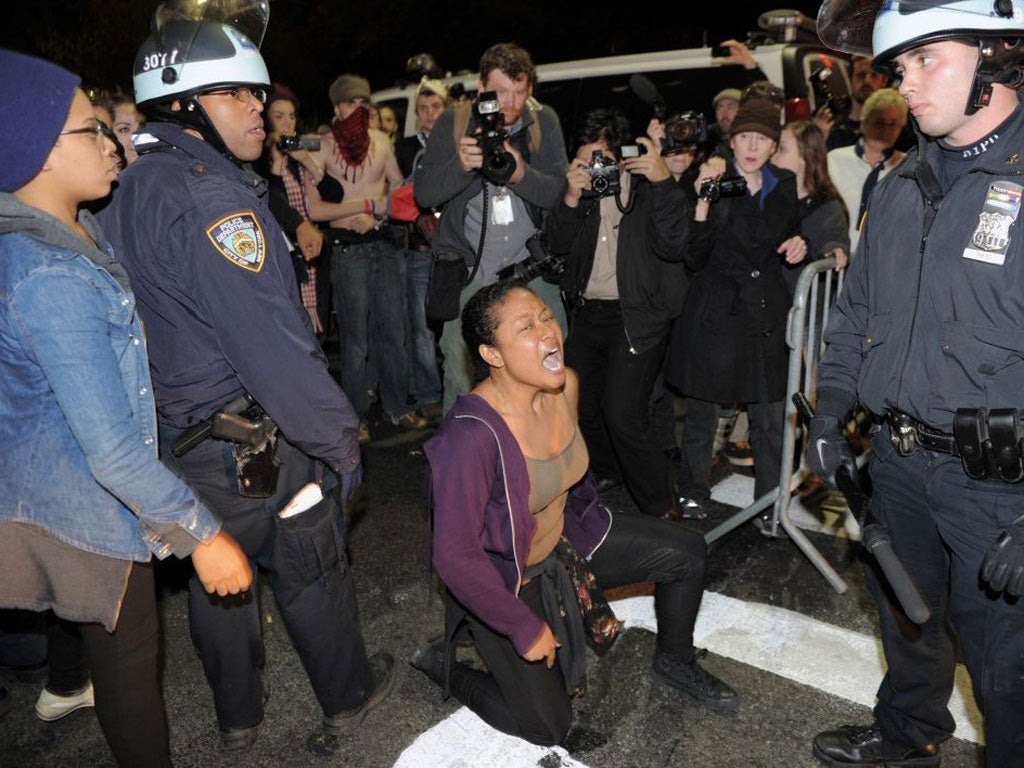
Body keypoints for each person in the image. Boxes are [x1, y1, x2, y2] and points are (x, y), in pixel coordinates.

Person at [99, 13, 395, 752]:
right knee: (311, 567)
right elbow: (273, 347)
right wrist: (338, 441)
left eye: (258, 92)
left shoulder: (126, 188)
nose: (259, 107)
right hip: (252, 436)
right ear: (182, 105)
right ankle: (347, 699)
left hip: (182, 441)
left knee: (217, 582)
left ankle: (239, 720)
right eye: (236, 93)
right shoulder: (214, 200)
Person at [0, 48, 252, 766]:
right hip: (89, 506)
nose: (113, 143)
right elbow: (110, 450)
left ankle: (61, 684)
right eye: (90, 131)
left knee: (91, 633)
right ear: (37, 152)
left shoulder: (66, 230)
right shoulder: (50, 274)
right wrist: (202, 536)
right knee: (131, 668)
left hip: (51, 487)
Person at [809, 1, 1024, 766]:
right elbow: (859, 309)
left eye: (928, 59)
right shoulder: (899, 183)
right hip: (898, 462)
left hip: (999, 488)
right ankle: (909, 731)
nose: (907, 84)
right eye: (899, 68)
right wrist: (831, 408)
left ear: (996, 56)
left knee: (1008, 674)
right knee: (907, 619)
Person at [413, 281, 738, 747]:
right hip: (510, 575)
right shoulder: (469, 436)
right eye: (526, 327)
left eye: (547, 317)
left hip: (568, 543)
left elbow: (570, 481)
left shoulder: (566, 388)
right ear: (493, 354)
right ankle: (443, 664)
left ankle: (675, 660)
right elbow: (454, 555)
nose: (548, 332)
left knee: (686, 551)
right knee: (547, 727)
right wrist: (523, 626)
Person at [666, 97, 807, 526]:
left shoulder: (782, 182)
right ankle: (692, 491)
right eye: (743, 136)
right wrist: (704, 203)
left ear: (772, 144)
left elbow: (790, 235)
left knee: (769, 415)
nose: (751, 146)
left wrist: (800, 244)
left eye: (761, 139)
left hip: (763, 312)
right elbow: (693, 256)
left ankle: (770, 503)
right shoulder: (712, 175)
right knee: (702, 415)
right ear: (731, 139)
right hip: (716, 311)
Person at [545, 108, 690, 519]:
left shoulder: (646, 188)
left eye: (602, 159)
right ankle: (608, 468)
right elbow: (556, 243)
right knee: (577, 401)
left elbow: (674, 245)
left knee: (623, 411)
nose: (595, 169)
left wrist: (662, 181)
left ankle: (661, 504)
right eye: (586, 160)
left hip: (638, 314)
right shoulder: (583, 193)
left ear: (622, 156)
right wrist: (571, 196)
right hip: (589, 313)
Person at [416, 42, 569, 413]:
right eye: (501, 92)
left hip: (532, 270)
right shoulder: (453, 122)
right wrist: (461, 165)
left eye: (520, 91)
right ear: (482, 84)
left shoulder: (542, 120)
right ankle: (461, 463)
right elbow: (424, 194)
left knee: (551, 370)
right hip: (470, 275)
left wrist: (520, 174)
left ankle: (541, 461)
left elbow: (559, 192)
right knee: (463, 374)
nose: (511, 103)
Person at [310, 73, 426, 440]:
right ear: (337, 108)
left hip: (385, 243)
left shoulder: (381, 141)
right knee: (355, 339)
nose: (359, 109)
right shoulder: (323, 147)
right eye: (351, 103)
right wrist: (359, 207)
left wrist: (376, 211)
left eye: (364, 103)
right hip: (347, 251)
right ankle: (355, 415)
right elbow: (313, 209)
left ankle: (397, 405)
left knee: (394, 331)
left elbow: (404, 191)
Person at [395, 77, 450, 424]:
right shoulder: (402, 149)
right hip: (418, 249)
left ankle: (462, 393)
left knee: (457, 326)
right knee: (421, 329)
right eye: (423, 109)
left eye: (436, 108)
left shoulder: (459, 142)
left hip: (455, 248)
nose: (429, 115)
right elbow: (395, 194)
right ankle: (430, 397)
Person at [256, 84, 329, 335]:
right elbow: (272, 203)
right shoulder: (257, 162)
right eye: (278, 116)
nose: (287, 123)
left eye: (291, 116)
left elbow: (334, 192)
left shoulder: (303, 152)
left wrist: (306, 160)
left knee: (321, 327)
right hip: (284, 257)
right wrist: (276, 163)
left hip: (315, 253)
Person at [773, 120, 850, 294]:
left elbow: (834, 242)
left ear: (806, 155)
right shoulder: (768, 199)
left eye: (781, 149)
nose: (772, 155)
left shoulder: (827, 208)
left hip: (803, 314)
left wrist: (835, 252)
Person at [827, 87, 908, 253]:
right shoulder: (834, 160)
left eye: (893, 124)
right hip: (836, 264)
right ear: (863, 123)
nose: (886, 129)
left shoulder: (908, 166)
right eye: (879, 122)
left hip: (881, 267)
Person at [825, 55, 890, 150]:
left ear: (884, 81)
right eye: (861, 75)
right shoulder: (833, 126)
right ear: (850, 79)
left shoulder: (894, 125)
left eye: (874, 75)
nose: (867, 81)